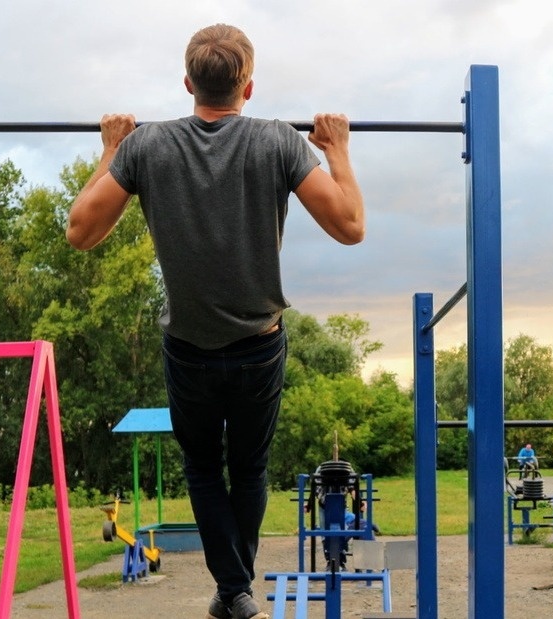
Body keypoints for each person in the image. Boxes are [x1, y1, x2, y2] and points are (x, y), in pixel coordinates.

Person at [66, 23, 365, 619]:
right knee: (247, 468)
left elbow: (80, 231)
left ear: (187, 84)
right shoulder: (279, 142)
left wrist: (110, 148)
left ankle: (232, 590)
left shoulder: (145, 147)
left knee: (204, 469)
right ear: (248, 88)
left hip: (190, 350)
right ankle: (236, 589)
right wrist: (337, 151)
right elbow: (351, 225)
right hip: (258, 345)